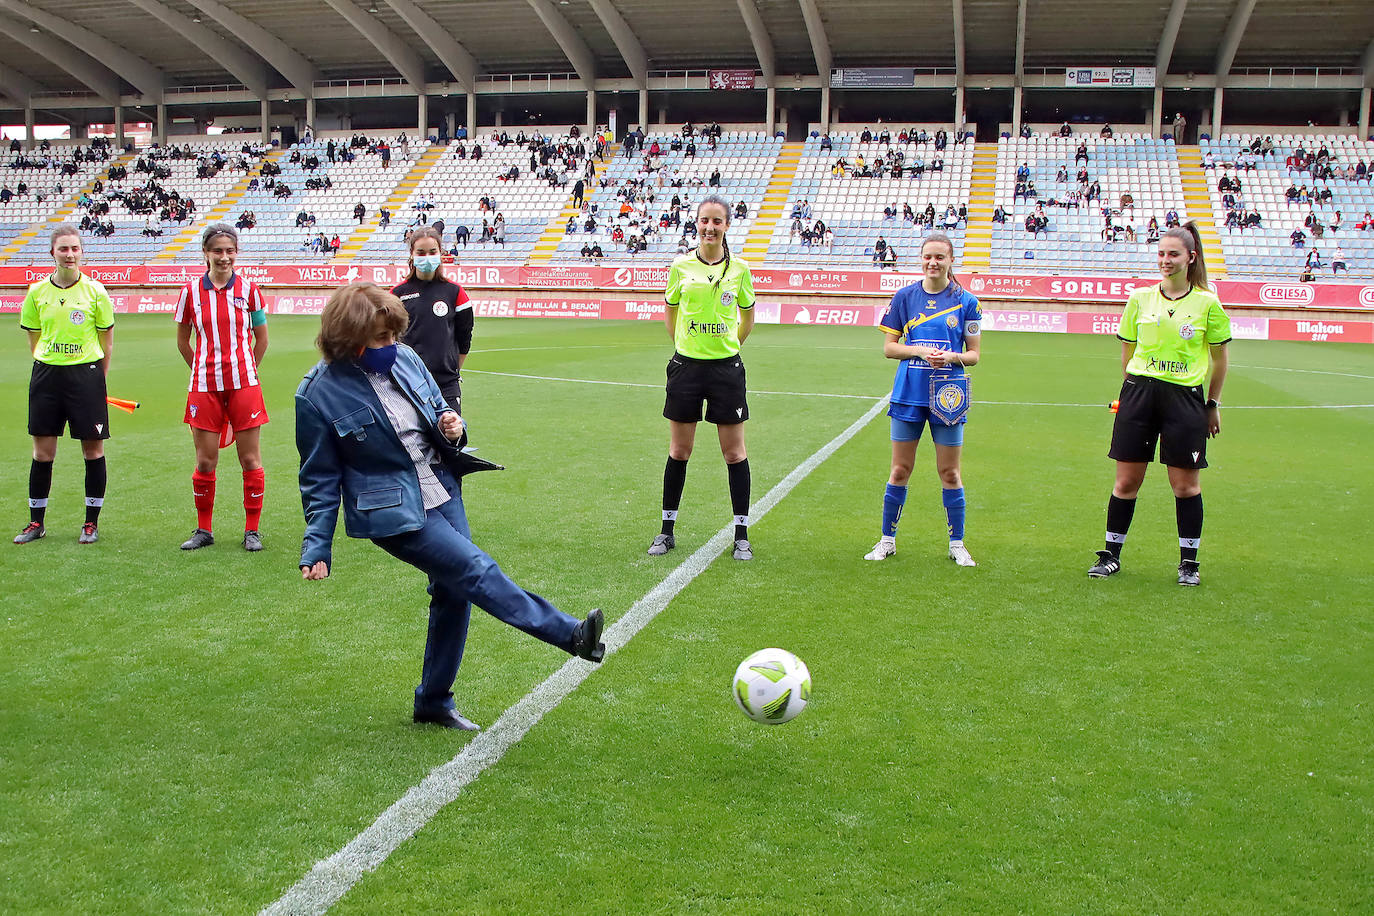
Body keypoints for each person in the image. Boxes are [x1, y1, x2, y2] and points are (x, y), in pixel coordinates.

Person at [296, 283, 605, 730]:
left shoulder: (405, 358)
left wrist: (452, 426)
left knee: (454, 592)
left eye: (393, 336)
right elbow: (319, 478)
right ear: (347, 338)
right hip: (392, 510)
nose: (391, 346)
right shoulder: (317, 394)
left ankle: (434, 702)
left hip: (441, 483)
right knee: (474, 569)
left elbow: (439, 412)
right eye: (379, 339)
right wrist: (316, 546)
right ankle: (571, 634)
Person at [1087, 223, 1230, 586]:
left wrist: (1211, 403)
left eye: (1174, 254)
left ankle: (1188, 563)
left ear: (1190, 258)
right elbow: (1127, 351)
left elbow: (1219, 359)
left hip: (1185, 399)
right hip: (1139, 395)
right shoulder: (1140, 298)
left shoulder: (1207, 303)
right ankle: (1111, 556)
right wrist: (1131, 390)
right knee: (1126, 481)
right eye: (1162, 254)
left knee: (1185, 485)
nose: (1166, 261)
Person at [647, 194, 756, 561]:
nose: (710, 227)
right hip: (686, 368)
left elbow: (747, 322)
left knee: (733, 452)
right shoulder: (679, 267)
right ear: (696, 223)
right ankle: (666, 530)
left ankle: (741, 534)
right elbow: (670, 314)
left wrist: (726, 347)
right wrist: (687, 347)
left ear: (726, 226)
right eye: (704, 221)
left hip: (726, 369)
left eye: (717, 221)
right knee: (680, 450)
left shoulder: (740, 270)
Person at [864, 232, 982, 567]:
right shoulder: (904, 297)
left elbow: (974, 356)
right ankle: (887, 540)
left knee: (949, 472)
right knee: (900, 469)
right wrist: (917, 349)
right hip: (909, 393)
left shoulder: (967, 302)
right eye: (927, 257)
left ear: (950, 261)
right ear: (921, 259)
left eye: (939, 257)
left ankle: (956, 543)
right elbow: (889, 348)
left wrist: (951, 357)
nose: (933, 263)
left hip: (948, 394)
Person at [14, 225, 114, 545]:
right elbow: (34, 337)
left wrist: (96, 378)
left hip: (86, 377)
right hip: (47, 377)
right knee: (43, 453)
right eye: (63, 249)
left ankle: (90, 523)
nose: (69, 254)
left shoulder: (96, 291)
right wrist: (50, 360)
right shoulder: (36, 292)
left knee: (92, 450)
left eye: (74, 249)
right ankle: (36, 522)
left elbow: (106, 342)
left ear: (82, 253)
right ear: (52, 253)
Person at [174, 224, 270, 552]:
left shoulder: (250, 290)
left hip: (244, 385)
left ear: (236, 254)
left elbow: (262, 339)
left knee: (250, 460)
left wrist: (246, 371)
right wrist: (203, 370)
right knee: (205, 462)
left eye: (230, 251)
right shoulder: (190, 292)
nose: (224, 257)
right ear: (206, 253)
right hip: (204, 386)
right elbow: (183, 342)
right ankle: (204, 530)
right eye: (218, 251)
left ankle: (252, 531)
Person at [391, 227, 472, 416]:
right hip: (407, 384)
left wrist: (451, 370)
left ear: (440, 253)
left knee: (451, 441)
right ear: (411, 255)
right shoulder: (397, 295)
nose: (427, 257)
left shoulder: (455, 292)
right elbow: (388, 339)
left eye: (432, 252)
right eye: (420, 252)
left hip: (446, 386)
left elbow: (464, 339)